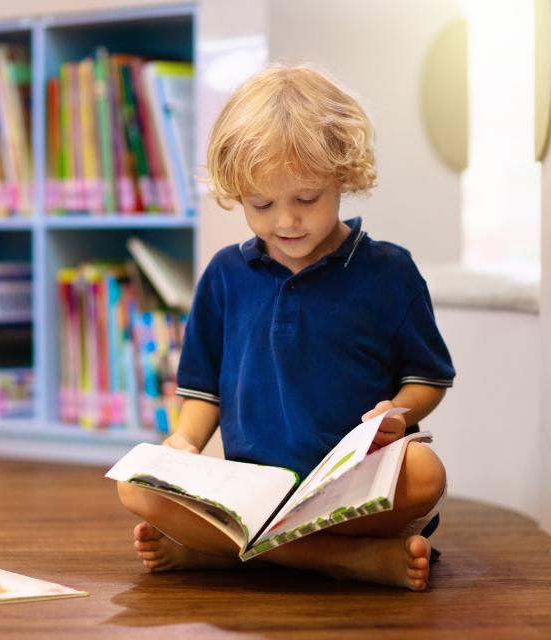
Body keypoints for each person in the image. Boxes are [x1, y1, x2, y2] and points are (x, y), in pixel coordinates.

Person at [117, 63, 455, 591]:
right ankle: (346, 559)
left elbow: (428, 377)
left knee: (426, 472)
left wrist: (397, 412)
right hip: (250, 484)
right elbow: (202, 390)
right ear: (237, 192)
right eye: (262, 204)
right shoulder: (226, 274)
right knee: (136, 488)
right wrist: (184, 440)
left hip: (348, 484)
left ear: (343, 176)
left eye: (306, 199)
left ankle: (222, 553)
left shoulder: (389, 271)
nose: (286, 222)